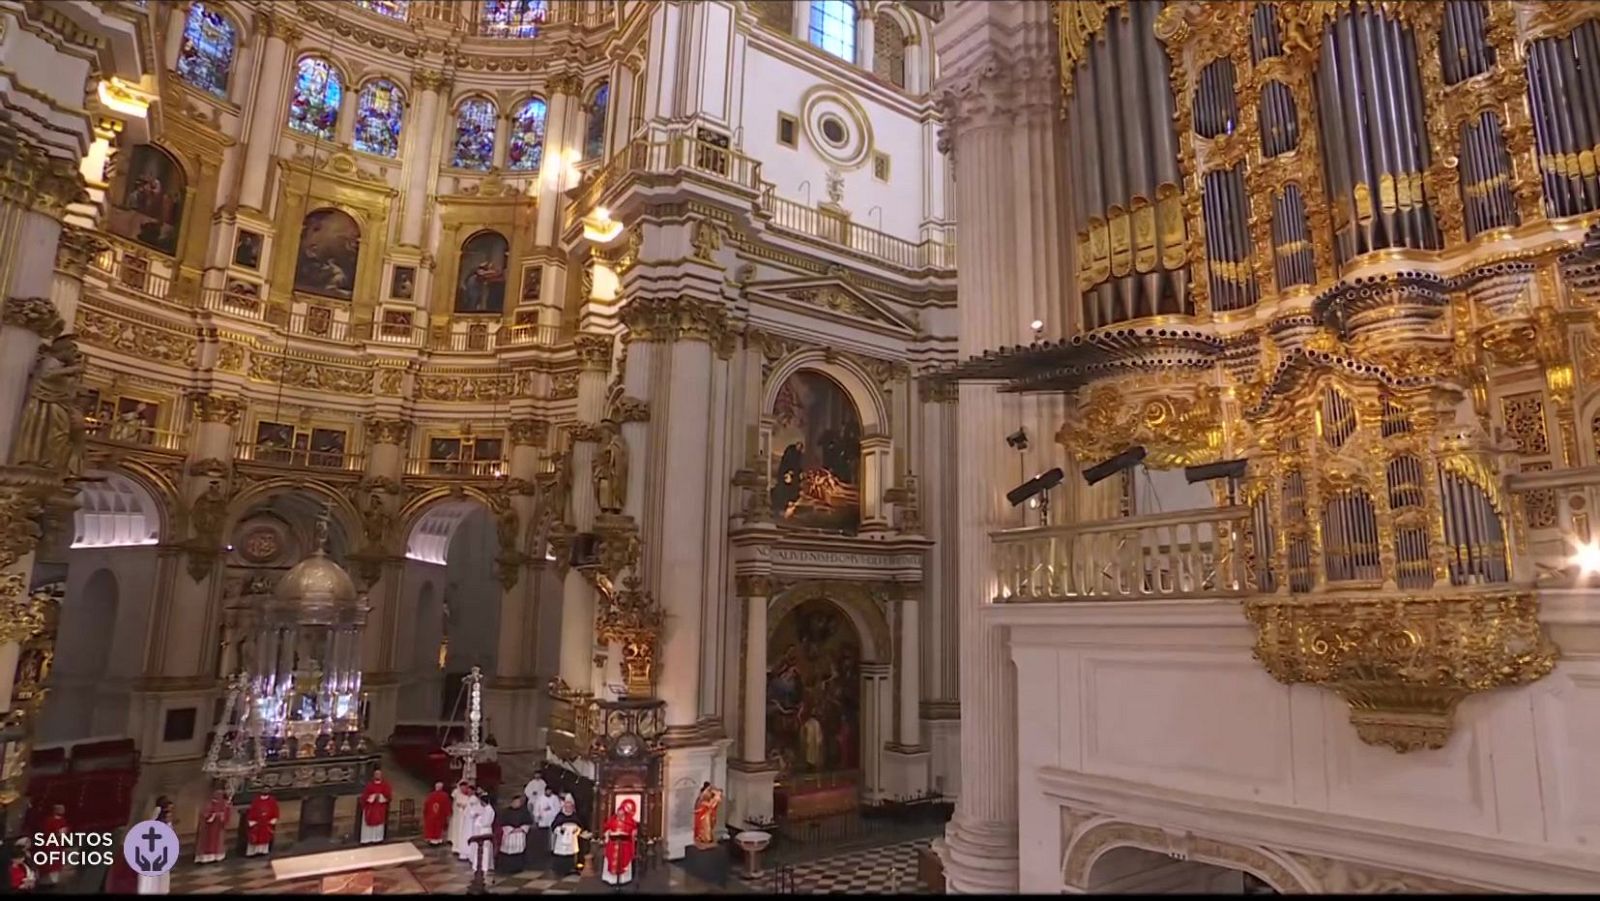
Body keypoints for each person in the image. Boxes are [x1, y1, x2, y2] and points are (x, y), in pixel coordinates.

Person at [601, 799, 639, 886]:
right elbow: (607, 828)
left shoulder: (629, 821)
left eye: (622, 813)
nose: (620, 815)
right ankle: (611, 880)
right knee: (611, 857)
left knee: (624, 858)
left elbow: (633, 829)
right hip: (613, 844)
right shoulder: (612, 820)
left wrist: (633, 833)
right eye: (619, 813)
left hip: (625, 845)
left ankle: (623, 880)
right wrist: (609, 833)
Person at [548, 794, 588, 877]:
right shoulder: (560, 816)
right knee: (562, 855)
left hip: (572, 840)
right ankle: (560, 870)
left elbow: (580, 827)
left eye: (570, 807)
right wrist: (560, 830)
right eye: (567, 806)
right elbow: (554, 826)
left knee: (571, 855)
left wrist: (576, 830)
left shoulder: (575, 816)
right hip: (561, 839)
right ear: (564, 806)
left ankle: (571, 869)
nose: (568, 808)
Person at [496, 794, 532, 875]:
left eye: (519, 802)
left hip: (520, 834)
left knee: (519, 851)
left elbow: (528, 822)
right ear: (512, 802)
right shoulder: (506, 812)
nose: (517, 803)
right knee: (508, 851)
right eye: (516, 802)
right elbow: (502, 823)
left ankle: (518, 867)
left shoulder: (524, 812)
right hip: (509, 834)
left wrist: (521, 829)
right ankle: (507, 867)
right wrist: (511, 829)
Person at [195, 789, 232, 864]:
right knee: (208, 842)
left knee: (217, 842)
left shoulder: (223, 805)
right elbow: (205, 815)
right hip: (209, 828)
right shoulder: (209, 804)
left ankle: (216, 856)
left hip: (218, 827)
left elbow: (226, 814)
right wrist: (214, 815)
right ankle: (205, 857)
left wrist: (223, 815)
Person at [466, 790, 496, 876]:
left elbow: (486, 822)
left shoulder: (489, 810)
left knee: (485, 849)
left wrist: (479, 821)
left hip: (485, 830)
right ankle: (479, 865)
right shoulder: (486, 809)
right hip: (482, 830)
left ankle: (484, 866)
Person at [358, 769, 392, 845]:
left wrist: (380, 796)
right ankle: (366, 839)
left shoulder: (385, 785)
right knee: (368, 825)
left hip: (379, 808)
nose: (377, 776)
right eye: (376, 774)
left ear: (381, 775)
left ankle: (378, 839)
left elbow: (388, 796)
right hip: (370, 808)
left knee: (379, 825)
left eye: (379, 774)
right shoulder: (369, 785)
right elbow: (364, 796)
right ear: (374, 775)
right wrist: (373, 796)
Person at [38, 804, 68, 886]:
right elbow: (46, 832)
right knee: (52, 861)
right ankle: (50, 879)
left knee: (58, 860)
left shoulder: (63, 820)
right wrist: (57, 833)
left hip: (59, 843)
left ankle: (55, 878)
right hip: (51, 843)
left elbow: (65, 830)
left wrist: (64, 833)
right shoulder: (49, 820)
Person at [533, 785, 561, 866]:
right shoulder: (540, 798)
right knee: (543, 835)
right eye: (547, 791)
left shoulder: (555, 798)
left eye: (550, 791)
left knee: (552, 835)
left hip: (552, 818)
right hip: (543, 819)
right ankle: (543, 849)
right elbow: (536, 808)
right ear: (545, 791)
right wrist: (537, 816)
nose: (548, 792)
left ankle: (552, 849)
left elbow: (558, 808)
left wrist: (551, 810)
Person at [245, 791, 279, 857]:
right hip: (257, 822)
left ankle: (263, 851)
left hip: (266, 822)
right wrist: (252, 820)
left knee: (265, 837)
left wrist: (273, 819)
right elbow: (252, 810)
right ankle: (253, 852)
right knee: (254, 837)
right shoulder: (256, 800)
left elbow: (275, 809)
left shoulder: (272, 800)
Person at [450, 781, 475, 860]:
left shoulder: (470, 797)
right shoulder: (458, 795)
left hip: (466, 820)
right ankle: (457, 848)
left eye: (466, 788)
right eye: (463, 788)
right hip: (458, 819)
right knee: (458, 833)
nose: (465, 789)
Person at [693, 782, 723, 848]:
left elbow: (713, 803)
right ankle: (704, 838)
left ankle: (707, 838)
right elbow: (702, 803)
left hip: (708, 812)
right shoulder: (703, 795)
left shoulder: (711, 794)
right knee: (705, 826)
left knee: (708, 825)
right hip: (704, 813)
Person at [423, 782, 451, 847]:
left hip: (431, 815)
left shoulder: (430, 795)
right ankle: (438, 841)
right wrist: (448, 814)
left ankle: (431, 840)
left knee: (432, 827)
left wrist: (425, 813)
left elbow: (426, 805)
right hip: (440, 816)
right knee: (438, 827)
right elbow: (447, 806)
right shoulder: (445, 795)